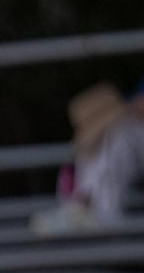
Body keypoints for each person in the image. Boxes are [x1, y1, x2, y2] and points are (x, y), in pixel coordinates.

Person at [33, 82, 144, 233]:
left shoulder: (123, 132)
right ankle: (83, 208)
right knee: (102, 144)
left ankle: (88, 209)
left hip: (106, 209)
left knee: (117, 138)